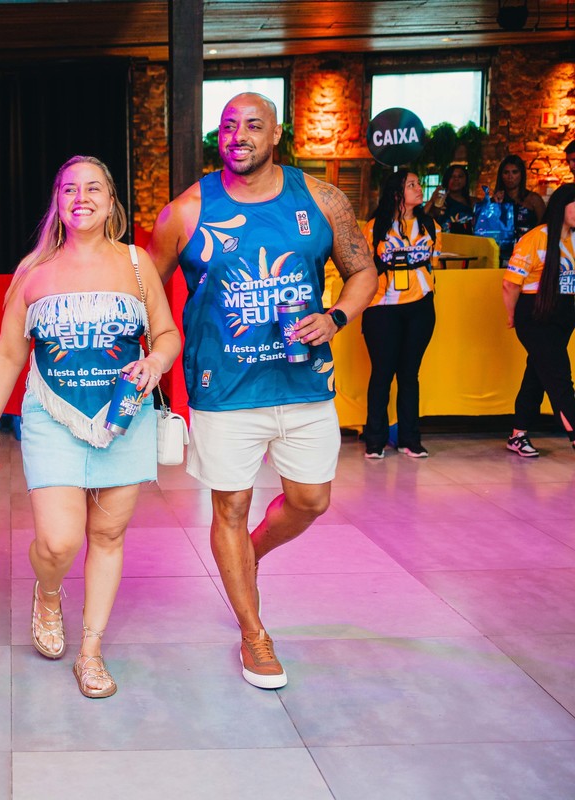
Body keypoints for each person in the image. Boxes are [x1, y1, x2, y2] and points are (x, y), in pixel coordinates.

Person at [148, 93, 376, 689]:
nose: (239, 135)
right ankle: (254, 634)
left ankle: (246, 555)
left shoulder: (321, 199)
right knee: (229, 507)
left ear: (277, 134)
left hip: (304, 382)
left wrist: (337, 316)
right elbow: (145, 288)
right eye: (228, 126)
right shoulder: (186, 211)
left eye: (253, 125)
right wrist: (155, 352)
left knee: (311, 500)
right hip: (223, 389)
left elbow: (364, 270)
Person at [0, 155, 181, 699]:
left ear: (111, 201)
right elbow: (7, 353)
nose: (82, 197)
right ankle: (48, 592)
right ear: (58, 202)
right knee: (59, 540)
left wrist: (156, 361)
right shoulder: (33, 271)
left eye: (94, 188)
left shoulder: (137, 264)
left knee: (108, 536)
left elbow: (166, 333)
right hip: (52, 416)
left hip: (123, 416)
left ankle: (90, 652)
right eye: (70, 189)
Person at [361, 171, 439, 459]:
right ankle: (375, 440)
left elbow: (433, 263)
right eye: (412, 185)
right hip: (383, 308)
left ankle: (410, 439)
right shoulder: (375, 227)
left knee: (409, 374)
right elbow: (364, 267)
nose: (419, 189)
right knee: (382, 373)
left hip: (420, 306)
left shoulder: (430, 225)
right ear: (396, 193)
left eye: (418, 184)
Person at [502, 183, 575, 457]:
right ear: (561, 206)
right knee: (559, 379)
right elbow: (510, 284)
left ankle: (517, 434)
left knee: (538, 371)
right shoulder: (536, 238)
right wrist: (512, 314)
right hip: (535, 314)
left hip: (564, 314)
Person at [491, 154, 547, 259]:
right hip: (501, 253)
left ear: (521, 174)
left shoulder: (534, 199)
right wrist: (496, 206)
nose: (510, 176)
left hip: (529, 252)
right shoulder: (495, 200)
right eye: (506, 172)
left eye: (515, 172)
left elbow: (544, 228)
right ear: (501, 175)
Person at [426, 163, 475, 234]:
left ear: (466, 180)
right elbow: (426, 219)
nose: (456, 179)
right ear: (447, 179)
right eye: (452, 176)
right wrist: (433, 201)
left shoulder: (473, 202)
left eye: (460, 176)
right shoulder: (440, 201)